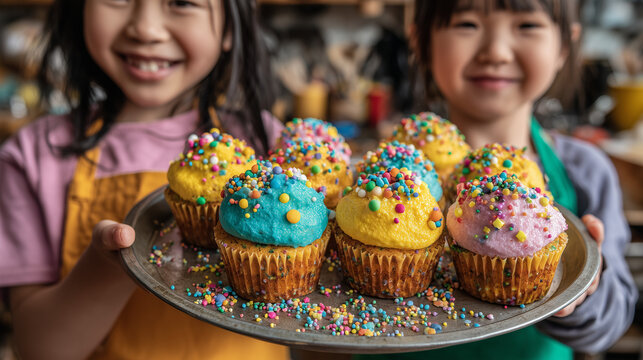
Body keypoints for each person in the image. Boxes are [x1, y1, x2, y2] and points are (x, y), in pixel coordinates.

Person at [0, 0, 289, 359]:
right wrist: (106, 268)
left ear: (231, 26)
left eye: (182, 2)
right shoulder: (32, 156)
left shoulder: (273, 148)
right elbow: (38, 348)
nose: (146, 29)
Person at [356, 0, 638, 359]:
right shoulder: (382, 174)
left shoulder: (586, 171)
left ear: (565, 45)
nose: (496, 52)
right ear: (420, 41)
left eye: (527, 26)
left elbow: (611, 323)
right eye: (467, 24)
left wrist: (582, 291)